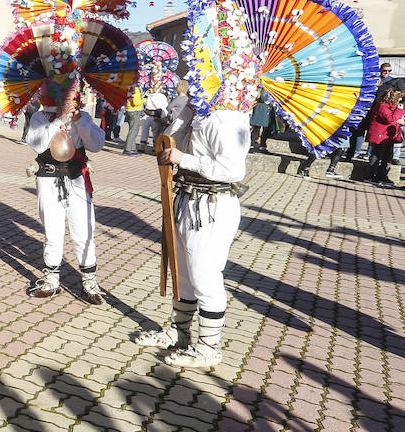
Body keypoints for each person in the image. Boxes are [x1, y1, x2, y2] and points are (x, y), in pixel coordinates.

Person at [131, 99, 250, 369]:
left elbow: (233, 170)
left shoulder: (227, 118)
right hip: (187, 199)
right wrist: (171, 117)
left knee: (204, 277)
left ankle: (209, 347)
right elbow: (171, 139)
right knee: (183, 275)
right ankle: (180, 332)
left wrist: (182, 159)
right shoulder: (198, 110)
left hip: (211, 206)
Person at [24, 81, 105, 304]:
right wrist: (58, 119)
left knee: (84, 228)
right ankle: (51, 279)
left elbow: (97, 144)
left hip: (77, 178)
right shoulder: (40, 118)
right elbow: (37, 144)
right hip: (49, 178)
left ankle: (89, 280)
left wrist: (80, 122)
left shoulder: (82, 117)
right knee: (52, 229)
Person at [366, 88, 405, 186]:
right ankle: (372, 175)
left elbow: (395, 118)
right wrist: (399, 111)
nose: (400, 100)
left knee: (388, 157)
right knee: (377, 155)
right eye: (399, 98)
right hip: (379, 135)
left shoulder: (393, 107)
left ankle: (383, 175)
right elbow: (389, 118)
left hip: (389, 136)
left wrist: (402, 121)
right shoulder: (382, 106)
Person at [122, 85, 145, 155]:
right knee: (133, 130)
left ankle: (133, 148)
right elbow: (135, 102)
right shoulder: (135, 89)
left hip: (131, 110)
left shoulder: (130, 87)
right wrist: (144, 100)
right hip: (134, 111)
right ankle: (128, 149)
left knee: (134, 130)